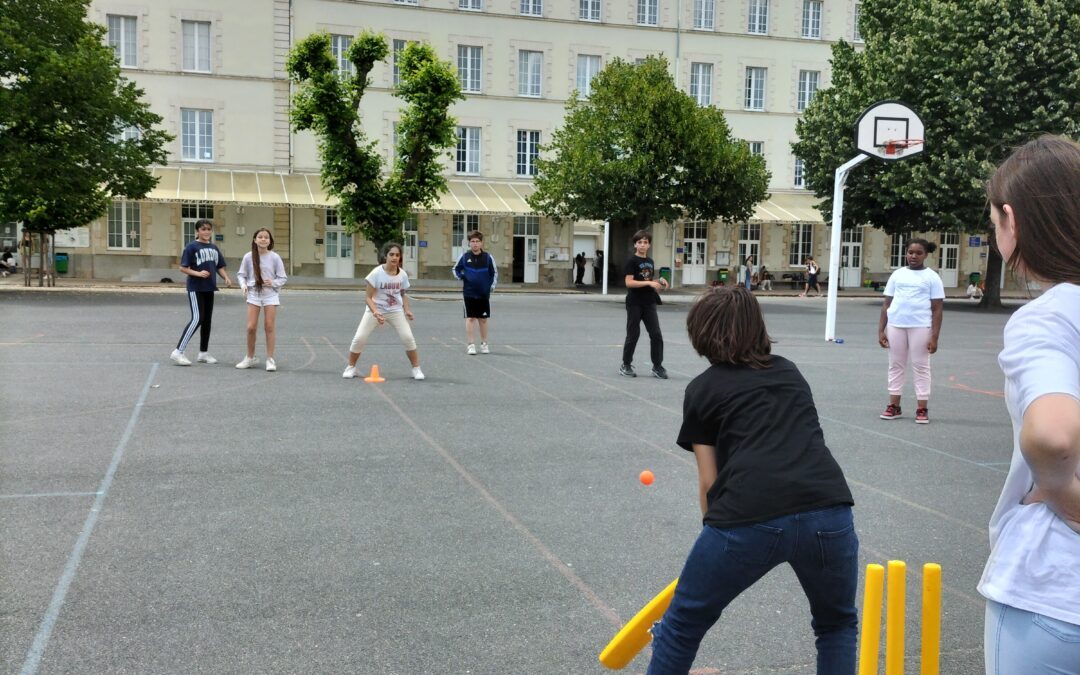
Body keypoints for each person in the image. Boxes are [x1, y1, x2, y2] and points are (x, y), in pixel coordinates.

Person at [648, 285, 857, 673]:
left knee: (681, 627)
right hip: (828, 509)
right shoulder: (788, 371)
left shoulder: (701, 389)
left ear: (701, 334)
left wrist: (713, 543)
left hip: (748, 517)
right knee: (837, 624)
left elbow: (709, 482)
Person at [978, 135, 1080, 674]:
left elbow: (1053, 434)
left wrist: (1064, 491)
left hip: (1055, 591)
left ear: (1012, 221)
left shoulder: (1049, 316)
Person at [877, 238, 944, 423]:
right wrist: (881, 330)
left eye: (918, 253)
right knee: (896, 365)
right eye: (910, 252)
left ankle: (922, 409)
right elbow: (886, 304)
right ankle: (894, 406)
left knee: (921, 366)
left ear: (926, 255)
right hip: (895, 325)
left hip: (920, 327)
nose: (913, 256)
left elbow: (937, 309)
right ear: (905, 253)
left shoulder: (932, 277)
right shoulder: (897, 275)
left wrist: (935, 337)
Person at [343, 242, 425, 380]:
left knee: (408, 338)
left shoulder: (403, 275)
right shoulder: (376, 273)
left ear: (400, 258)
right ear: (385, 256)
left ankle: (416, 369)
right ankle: (351, 367)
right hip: (375, 310)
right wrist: (375, 312)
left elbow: (403, 294)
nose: (394, 258)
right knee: (360, 338)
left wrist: (407, 309)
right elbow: (368, 298)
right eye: (391, 254)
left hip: (395, 310)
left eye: (397, 255)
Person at [171, 219, 232, 366]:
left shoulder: (214, 248)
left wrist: (226, 278)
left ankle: (203, 353)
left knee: (207, 321)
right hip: (196, 287)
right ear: (197, 231)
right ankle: (178, 352)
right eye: (203, 229)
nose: (206, 232)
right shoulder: (191, 247)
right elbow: (183, 267)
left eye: (209, 229)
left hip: (209, 287)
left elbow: (219, 266)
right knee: (197, 319)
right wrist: (198, 274)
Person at [235, 228, 287, 372]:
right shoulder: (248, 257)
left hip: (270, 294)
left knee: (269, 326)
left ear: (270, 241)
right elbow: (241, 274)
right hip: (253, 294)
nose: (263, 239)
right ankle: (250, 357)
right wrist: (243, 285)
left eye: (266, 237)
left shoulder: (275, 257)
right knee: (251, 327)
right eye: (260, 237)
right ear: (255, 239)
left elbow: (282, 277)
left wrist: (273, 283)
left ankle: (270, 359)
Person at [620, 230, 668, 379]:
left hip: (649, 302)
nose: (642, 244)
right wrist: (649, 282)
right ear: (635, 244)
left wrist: (660, 281)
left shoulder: (650, 261)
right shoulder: (631, 261)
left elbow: (648, 278)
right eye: (639, 242)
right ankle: (626, 364)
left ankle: (657, 366)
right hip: (635, 302)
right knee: (633, 334)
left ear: (649, 245)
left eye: (645, 242)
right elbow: (629, 282)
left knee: (656, 334)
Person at [453, 230, 497, 355]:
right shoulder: (464, 257)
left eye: (477, 241)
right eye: (472, 241)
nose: (475, 244)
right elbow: (455, 269)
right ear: (469, 243)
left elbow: (494, 273)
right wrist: (461, 276)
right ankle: (471, 345)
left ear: (482, 243)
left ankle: (484, 344)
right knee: (471, 318)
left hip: (483, 293)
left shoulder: (488, 257)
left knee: (483, 318)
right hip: (469, 293)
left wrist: (491, 287)